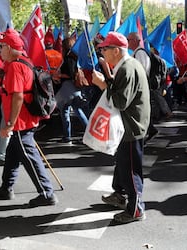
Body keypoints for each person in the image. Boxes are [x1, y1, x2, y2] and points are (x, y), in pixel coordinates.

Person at [0, 28, 57, 207]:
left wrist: (10, 123)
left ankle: (46, 193)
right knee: (12, 154)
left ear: (10, 48)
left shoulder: (15, 66)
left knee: (29, 156)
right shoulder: (23, 62)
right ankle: (6, 188)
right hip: (24, 119)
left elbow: (17, 96)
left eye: (2, 45)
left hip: (21, 121)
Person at [92, 32, 150, 224]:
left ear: (116, 51)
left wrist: (102, 85)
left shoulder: (127, 67)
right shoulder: (126, 65)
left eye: (105, 49)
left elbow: (120, 101)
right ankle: (120, 195)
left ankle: (136, 209)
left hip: (131, 127)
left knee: (131, 171)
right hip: (129, 125)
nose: (103, 52)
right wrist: (107, 80)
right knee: (124, 166)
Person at [53, 37, 88, 144]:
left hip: (67, 89)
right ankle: (89, 133)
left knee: (65, 112)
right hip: (74, 89)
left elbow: (69, 74)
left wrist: (58, 75)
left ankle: (67, 137)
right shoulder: (75, 57)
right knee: (78, 111)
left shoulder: (68, 59)